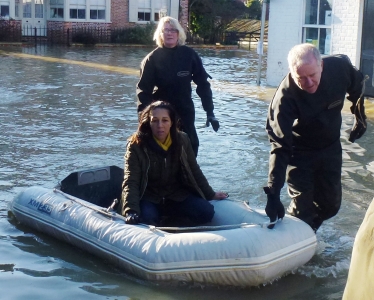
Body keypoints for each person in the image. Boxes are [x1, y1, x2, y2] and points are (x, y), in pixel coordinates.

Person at [264, 43, 367, 232]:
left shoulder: (339, 68)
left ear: (321, 66)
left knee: (330, 206)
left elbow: (358, 84)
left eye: (312, 75)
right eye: (301, 78)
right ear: (291, 73)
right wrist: (273, 194)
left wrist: (359, 116)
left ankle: (308, 233)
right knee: (303, 207)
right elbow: (279, 146)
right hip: (299, 151)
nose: (309, 83)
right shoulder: (285, 98)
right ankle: (293, 235)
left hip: (330, 146)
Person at [118, 100, 227, 226]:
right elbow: (131, 180)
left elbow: (194, 170)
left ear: (171, 123)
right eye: (155, 120)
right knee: (148, 219)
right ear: (148, 122)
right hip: (149, 197)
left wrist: (210, 194)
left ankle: (172, 222)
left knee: (206, 212)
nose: (160, 125)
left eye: (165, 120)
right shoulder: (136, 145)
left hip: (175, 195)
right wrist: (131, 210)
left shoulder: (182, 140)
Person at [136, 16, 219, 157]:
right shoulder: (151, 59)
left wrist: (210, 112)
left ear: (178, 33)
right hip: (161, 115)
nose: (169, 33)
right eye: (165, 30)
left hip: (185, 111)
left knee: (190, 148)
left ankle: (189, 178)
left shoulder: (189, 55)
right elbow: (143, 92)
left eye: (173, 30)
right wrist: (145, 120)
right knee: (164, 154)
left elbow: (203, 85)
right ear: (160, 34)